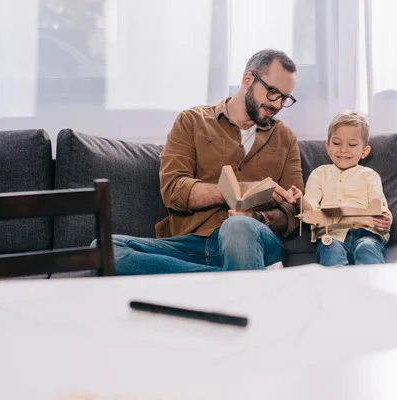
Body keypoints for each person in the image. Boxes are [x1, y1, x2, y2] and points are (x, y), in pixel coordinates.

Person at [107, 49, 304, 275]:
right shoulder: (192, 121)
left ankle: (224, 278)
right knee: (106, 250)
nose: (277, 104)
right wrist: (238, 190)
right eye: (272, 92)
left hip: (255, 239)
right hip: (191, 244)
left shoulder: (285, 138)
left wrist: (256, 217)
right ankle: (231, 277)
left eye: (285, 98)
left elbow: (292, 214)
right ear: (248, 80)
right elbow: (173, 190)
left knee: (238, 226)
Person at [301, 111, 392, 266]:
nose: (343, 150)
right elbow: (310, 209)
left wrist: (385, 219)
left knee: (367, 248)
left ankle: (371, 287)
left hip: (367, 233)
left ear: (364, 151)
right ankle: (336, 288)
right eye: (336, 143)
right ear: (328, 147)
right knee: (332, 250)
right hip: (331, 234)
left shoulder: (370, 175)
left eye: (352, 145)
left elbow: (379, 206)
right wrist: (298, 199)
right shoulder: (319, 174)